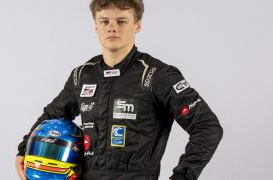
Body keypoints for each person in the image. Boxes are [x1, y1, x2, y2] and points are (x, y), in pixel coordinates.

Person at [15, 0, 223, 179]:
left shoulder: (156, 75)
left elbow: (207, 127)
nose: (111, 27)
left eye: (121, 21)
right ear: (96, 26)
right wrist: (23, 150)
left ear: (137, 25)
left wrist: (182, 176)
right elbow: (52, 115)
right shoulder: (82, 75)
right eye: (104, 21)